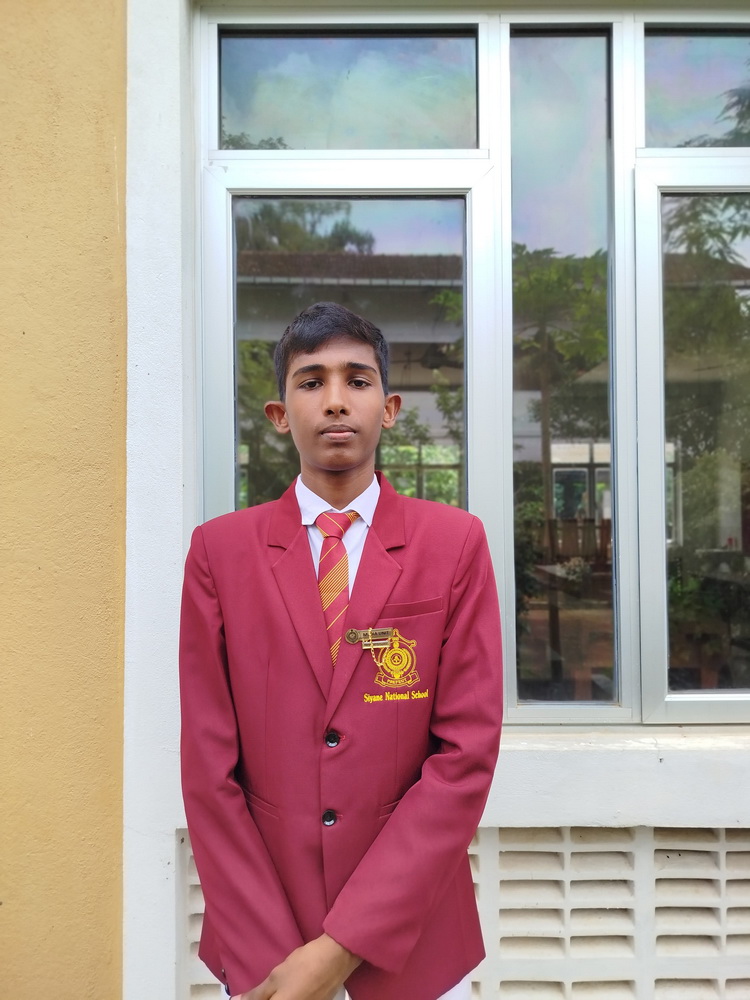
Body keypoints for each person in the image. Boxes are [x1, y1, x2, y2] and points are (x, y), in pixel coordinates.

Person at [179, 301, 503, 1000]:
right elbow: (209, 770)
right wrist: (278, 959)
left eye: (357, 380)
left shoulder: (454, 544)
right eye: (311, 381)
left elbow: (465, 757)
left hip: (414, 944)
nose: (334, 400)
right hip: (266, 939)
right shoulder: (220, 553)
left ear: (389, 409)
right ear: (279, 414)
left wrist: (340, 949)